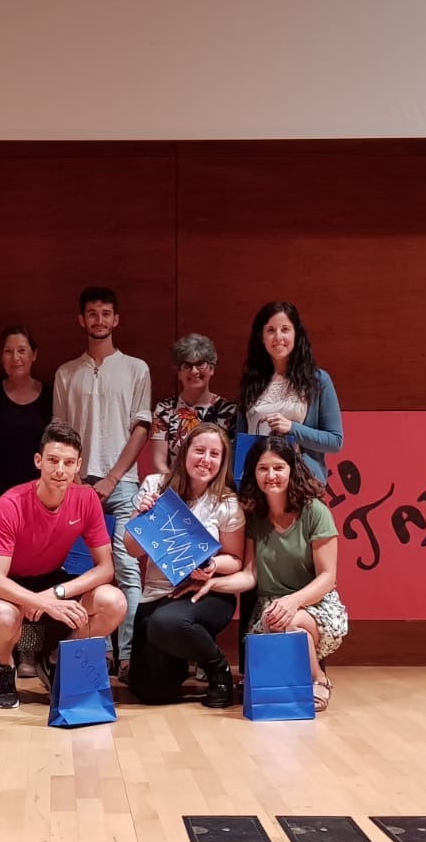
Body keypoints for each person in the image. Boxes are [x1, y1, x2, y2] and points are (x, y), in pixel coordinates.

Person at [0, 421, 127, 709]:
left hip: (51, 581)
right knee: (4, 617)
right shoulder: (10, 503)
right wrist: (41, 602)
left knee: (114, 602)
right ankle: (4, 669)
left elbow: (105, 568)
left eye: (68, 462)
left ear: (78, 466)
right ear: (39, 461)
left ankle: (56, 660)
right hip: (9, 585)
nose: (60, 469)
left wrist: (55, 594)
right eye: (53, 460)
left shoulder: (86, 499)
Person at [51, 286, 151, 678]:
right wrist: (75, 478)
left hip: (122, 484)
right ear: (82, 320)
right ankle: (98, 649)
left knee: (126, 567)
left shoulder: (136, 369)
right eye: (92, 313)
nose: (99, 320)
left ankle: (129, 655)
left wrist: (112, 478)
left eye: (106, 313)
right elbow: (59, 432)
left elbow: (141, 428)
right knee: (85, 570)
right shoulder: (66, 373)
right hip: (76, 485)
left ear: (116, 319)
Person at [216, 436, 348, 712]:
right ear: (253, 473)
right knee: (281, 623)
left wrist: (292, 602)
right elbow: (250, 574)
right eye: (263, 468)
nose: (271, 475)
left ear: (292, 469)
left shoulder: (315, 511)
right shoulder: (253, 515)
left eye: (278, 467)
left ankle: (319, 679)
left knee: (286, 623)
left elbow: (327, 577)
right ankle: (304, 680)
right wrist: (211, 584)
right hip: (269, 606)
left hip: (315, 603)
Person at [123, 424, 247, 707]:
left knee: (166, 622)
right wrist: (142, 515)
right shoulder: (155, 486)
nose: (206, 459)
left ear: (222, 461)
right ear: (184, 452)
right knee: (151, 693)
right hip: (157, 594)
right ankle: (178, 662)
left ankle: (218, 669)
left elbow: (236, 561)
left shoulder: (227, 502)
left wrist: (212, 565)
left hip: (205, 592)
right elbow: (131, 549)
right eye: (199, 450)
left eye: (214, 454)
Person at [235, 301, 343, 484]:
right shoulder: (250, 382)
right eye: (271, 330)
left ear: (296, 334)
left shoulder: (318, 380)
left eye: (285, 329)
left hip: (302, 484)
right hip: (257, 484)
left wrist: (293, 428)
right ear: (261, 337)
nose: (278, 337)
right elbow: (240, 441)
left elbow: (335, 441)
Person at [0, 325, 53, 519]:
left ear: (34, 355)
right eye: (8, 351)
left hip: (39, 499)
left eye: (22, 350)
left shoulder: (50, 396)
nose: (15, 358)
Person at [149, 333, 238, 475]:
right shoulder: (165, 409)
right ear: (178, 372)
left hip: (216, 486)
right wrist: (176, 487)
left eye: (200, 364)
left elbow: (231, 464)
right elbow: (159, 464)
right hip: (174, 484)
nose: (194, 371)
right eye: (187, 366)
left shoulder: (229, 411)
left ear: (212, 369)